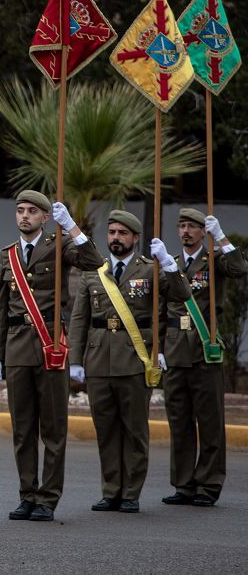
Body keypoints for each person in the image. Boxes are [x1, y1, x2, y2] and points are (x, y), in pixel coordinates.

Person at [0, 191, 101, 522]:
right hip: (16, 347)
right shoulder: (7, 255)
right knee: (22, 429)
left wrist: (73, 227)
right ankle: (27, 494)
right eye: (20, 210)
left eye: (32, 211)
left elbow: (94, 262)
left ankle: (48, 498)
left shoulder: (60, 245)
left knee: (53, 427)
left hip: (51, 345)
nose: (24, 216)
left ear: (45, 217)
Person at [69, 210, 191, 513]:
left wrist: (168, 264)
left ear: (135, 238)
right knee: (106, 429)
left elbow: (181, 294)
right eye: (111, 232)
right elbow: (79, 319)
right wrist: (76, 360)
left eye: (122, 233)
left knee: (134, 430)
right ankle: (111, 489)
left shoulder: (149, 269)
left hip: (135, 359)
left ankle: (131, 492)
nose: (115, 238)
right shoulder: (95, 271)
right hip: (98, 360)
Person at [160, 208, 246, 507]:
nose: (186, 231)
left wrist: (221, 237)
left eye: (193, 227)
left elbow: (239, 268)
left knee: (209, 422)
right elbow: (160, 309)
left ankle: (209, 484)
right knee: (179, 421)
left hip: (204, 348)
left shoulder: (213, 261)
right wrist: (159, 348)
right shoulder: (168, 261)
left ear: (202, 231)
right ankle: (184, 484)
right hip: (175, 351)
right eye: (182, 225)